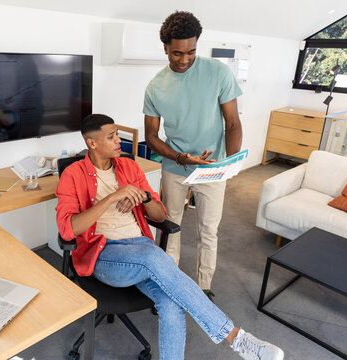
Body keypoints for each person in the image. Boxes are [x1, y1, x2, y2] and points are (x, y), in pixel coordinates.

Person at [55, 114, 283, 360]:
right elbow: (69, 229)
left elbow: (159, 213)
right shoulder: (73, 174)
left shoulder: (129, 167)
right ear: (92, 143)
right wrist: (112, 197)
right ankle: (236, 338)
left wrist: (146, 196)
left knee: (171, 303)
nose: (119, 141)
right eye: (111, 137)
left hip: (141, 248)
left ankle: (234, 341)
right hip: (105, 256)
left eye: (117, 134)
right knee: (154, 257)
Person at [144, 11, 243, 300]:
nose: (185, 59)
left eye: (191, 52)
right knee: (171, 224)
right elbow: (151, 136)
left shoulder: (219, 73)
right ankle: (171, 280)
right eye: (177, 53)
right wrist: (179, 158)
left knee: (208, 229)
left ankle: (203, 286)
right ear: (165, 48)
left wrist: (230, 163)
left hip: (213, 167)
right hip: (176, 167)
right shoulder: (155, 86)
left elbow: (233, 123)